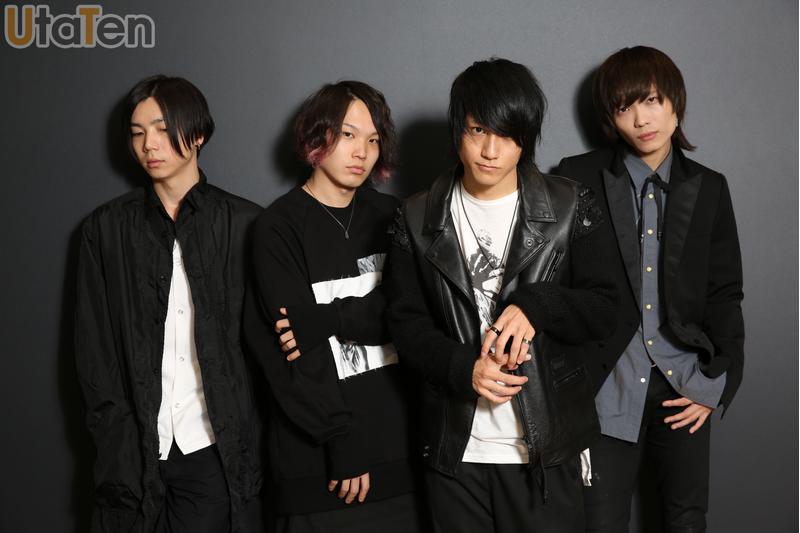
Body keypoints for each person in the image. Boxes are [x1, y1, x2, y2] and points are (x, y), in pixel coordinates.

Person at [386, 58, 618, 533]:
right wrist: (462, 368)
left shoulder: (570, 205)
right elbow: (405, 324)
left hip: (544, 450)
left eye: (508, 135)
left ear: (525, 138)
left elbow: (606, 310)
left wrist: (538, 304)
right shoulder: (416, 218)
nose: (491, 150)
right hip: (455, 452)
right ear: (459, 130)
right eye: (478, 131)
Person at [555, 45, 744, 532]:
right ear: (610, 118)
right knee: (599, 524)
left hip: (685, 385)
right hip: (605, 387)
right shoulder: (577, 177)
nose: (641, 119)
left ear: (675, 102)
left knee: (686, 521)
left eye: (652, 101)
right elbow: (556, 283)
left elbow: (725, 293)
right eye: (624, 107)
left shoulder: (710, 188)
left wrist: (715, 383)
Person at [74, 75, 263, 533]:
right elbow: (94, 354)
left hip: (212, 451)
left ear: (197, 134)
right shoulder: (105, 230)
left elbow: (261, 352)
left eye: (162, 129)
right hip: (134, 455)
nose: (149, 145)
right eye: (137, 133)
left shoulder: (246, 224)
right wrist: (115, 442)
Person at [244, 81, 421, 532]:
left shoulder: (394, 216)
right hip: (319, 463)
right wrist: (340, 437)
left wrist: (329, 318)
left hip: (401, 455)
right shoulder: (277, 227)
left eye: (373, 140)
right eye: (348, 135)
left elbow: (410, 315)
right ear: (316, 136)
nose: (362, 151)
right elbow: (286, 351)